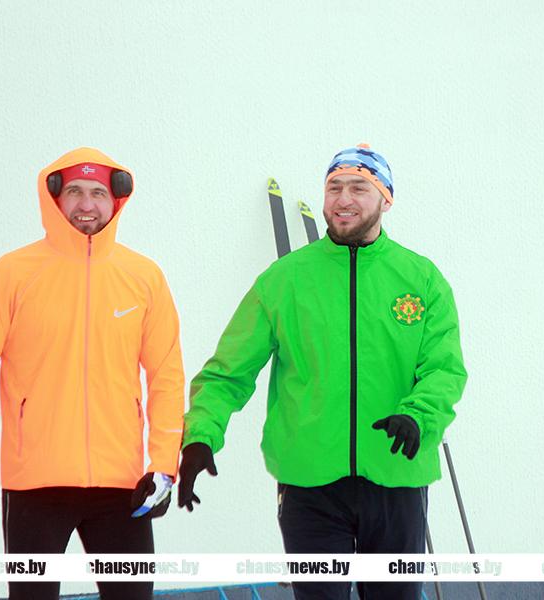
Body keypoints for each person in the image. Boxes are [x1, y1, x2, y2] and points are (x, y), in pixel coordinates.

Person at [179, 144, 467, 599]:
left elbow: (444, 369)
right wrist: (200, 436)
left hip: (396, 476)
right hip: (310, 485)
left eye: (359, 188)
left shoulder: (421, 279)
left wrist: (419, 416)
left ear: (386, 199)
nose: (343, 199)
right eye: (334, 188)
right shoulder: (285, 280)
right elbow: (227, 372)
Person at [0, 147, 185, 600]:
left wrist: (163, 466)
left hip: (122, 487)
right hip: (35, 485)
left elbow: (167, 377)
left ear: (116, 199)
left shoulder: (144, 277)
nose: (86, 204)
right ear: (54, 196)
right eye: (74, 191)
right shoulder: (11, 274)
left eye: (97, 192)